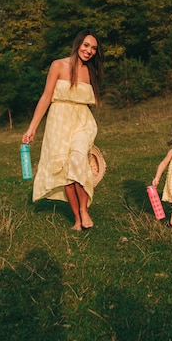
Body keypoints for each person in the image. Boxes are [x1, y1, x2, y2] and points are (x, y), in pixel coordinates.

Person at [22, 29, 104, 231]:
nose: (89, 51)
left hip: (82, 121)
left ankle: (84, 210)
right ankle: (77, 219)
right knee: (64, 170)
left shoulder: (90, 71)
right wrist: (32, 128)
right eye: (86, 45)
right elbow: (46, 97)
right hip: (58, 122)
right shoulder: (58, 65)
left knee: (77, 161)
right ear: (78, 44)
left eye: (93, 48)